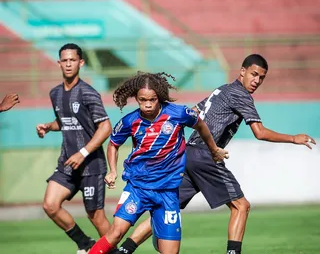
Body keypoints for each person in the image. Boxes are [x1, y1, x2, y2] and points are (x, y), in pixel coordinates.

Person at [112, 54, 317, 254]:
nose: (257, 80)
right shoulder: (241, 95)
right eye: (254, 74)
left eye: (261, 77)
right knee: (241, 206)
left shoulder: (222, 90)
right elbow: (259, 132)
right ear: (242, 71)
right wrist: (293, 138)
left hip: (188, 155)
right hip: (205, 156)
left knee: (166, 209)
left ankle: (124, 250)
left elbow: (193, 112)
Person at [88, 72, 229, 254]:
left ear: (159, 97)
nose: (147, 104)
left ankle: (158, 228)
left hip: (168, 193)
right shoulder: (130, 121)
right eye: (142, 100)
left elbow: (200, 125)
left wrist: (214, 149)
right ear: (136, 99)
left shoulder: (178, 113)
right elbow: (113, 144)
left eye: (152, 99)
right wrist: (112, 171)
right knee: (115, 233)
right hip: (138, 189)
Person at [36, 43, 113, 254]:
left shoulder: (88, 93)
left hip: (91, 165)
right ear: (59, 63)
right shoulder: (55, 93)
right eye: (64, 60)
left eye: (72, 60)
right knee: (50, 205)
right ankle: (84, 243)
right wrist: (48, 127)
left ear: (81, 63)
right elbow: (64, 120)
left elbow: (105, 127)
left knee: (95, 216)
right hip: (67, 164)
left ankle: (115, 253)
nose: (68, 64)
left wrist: (83, 152)